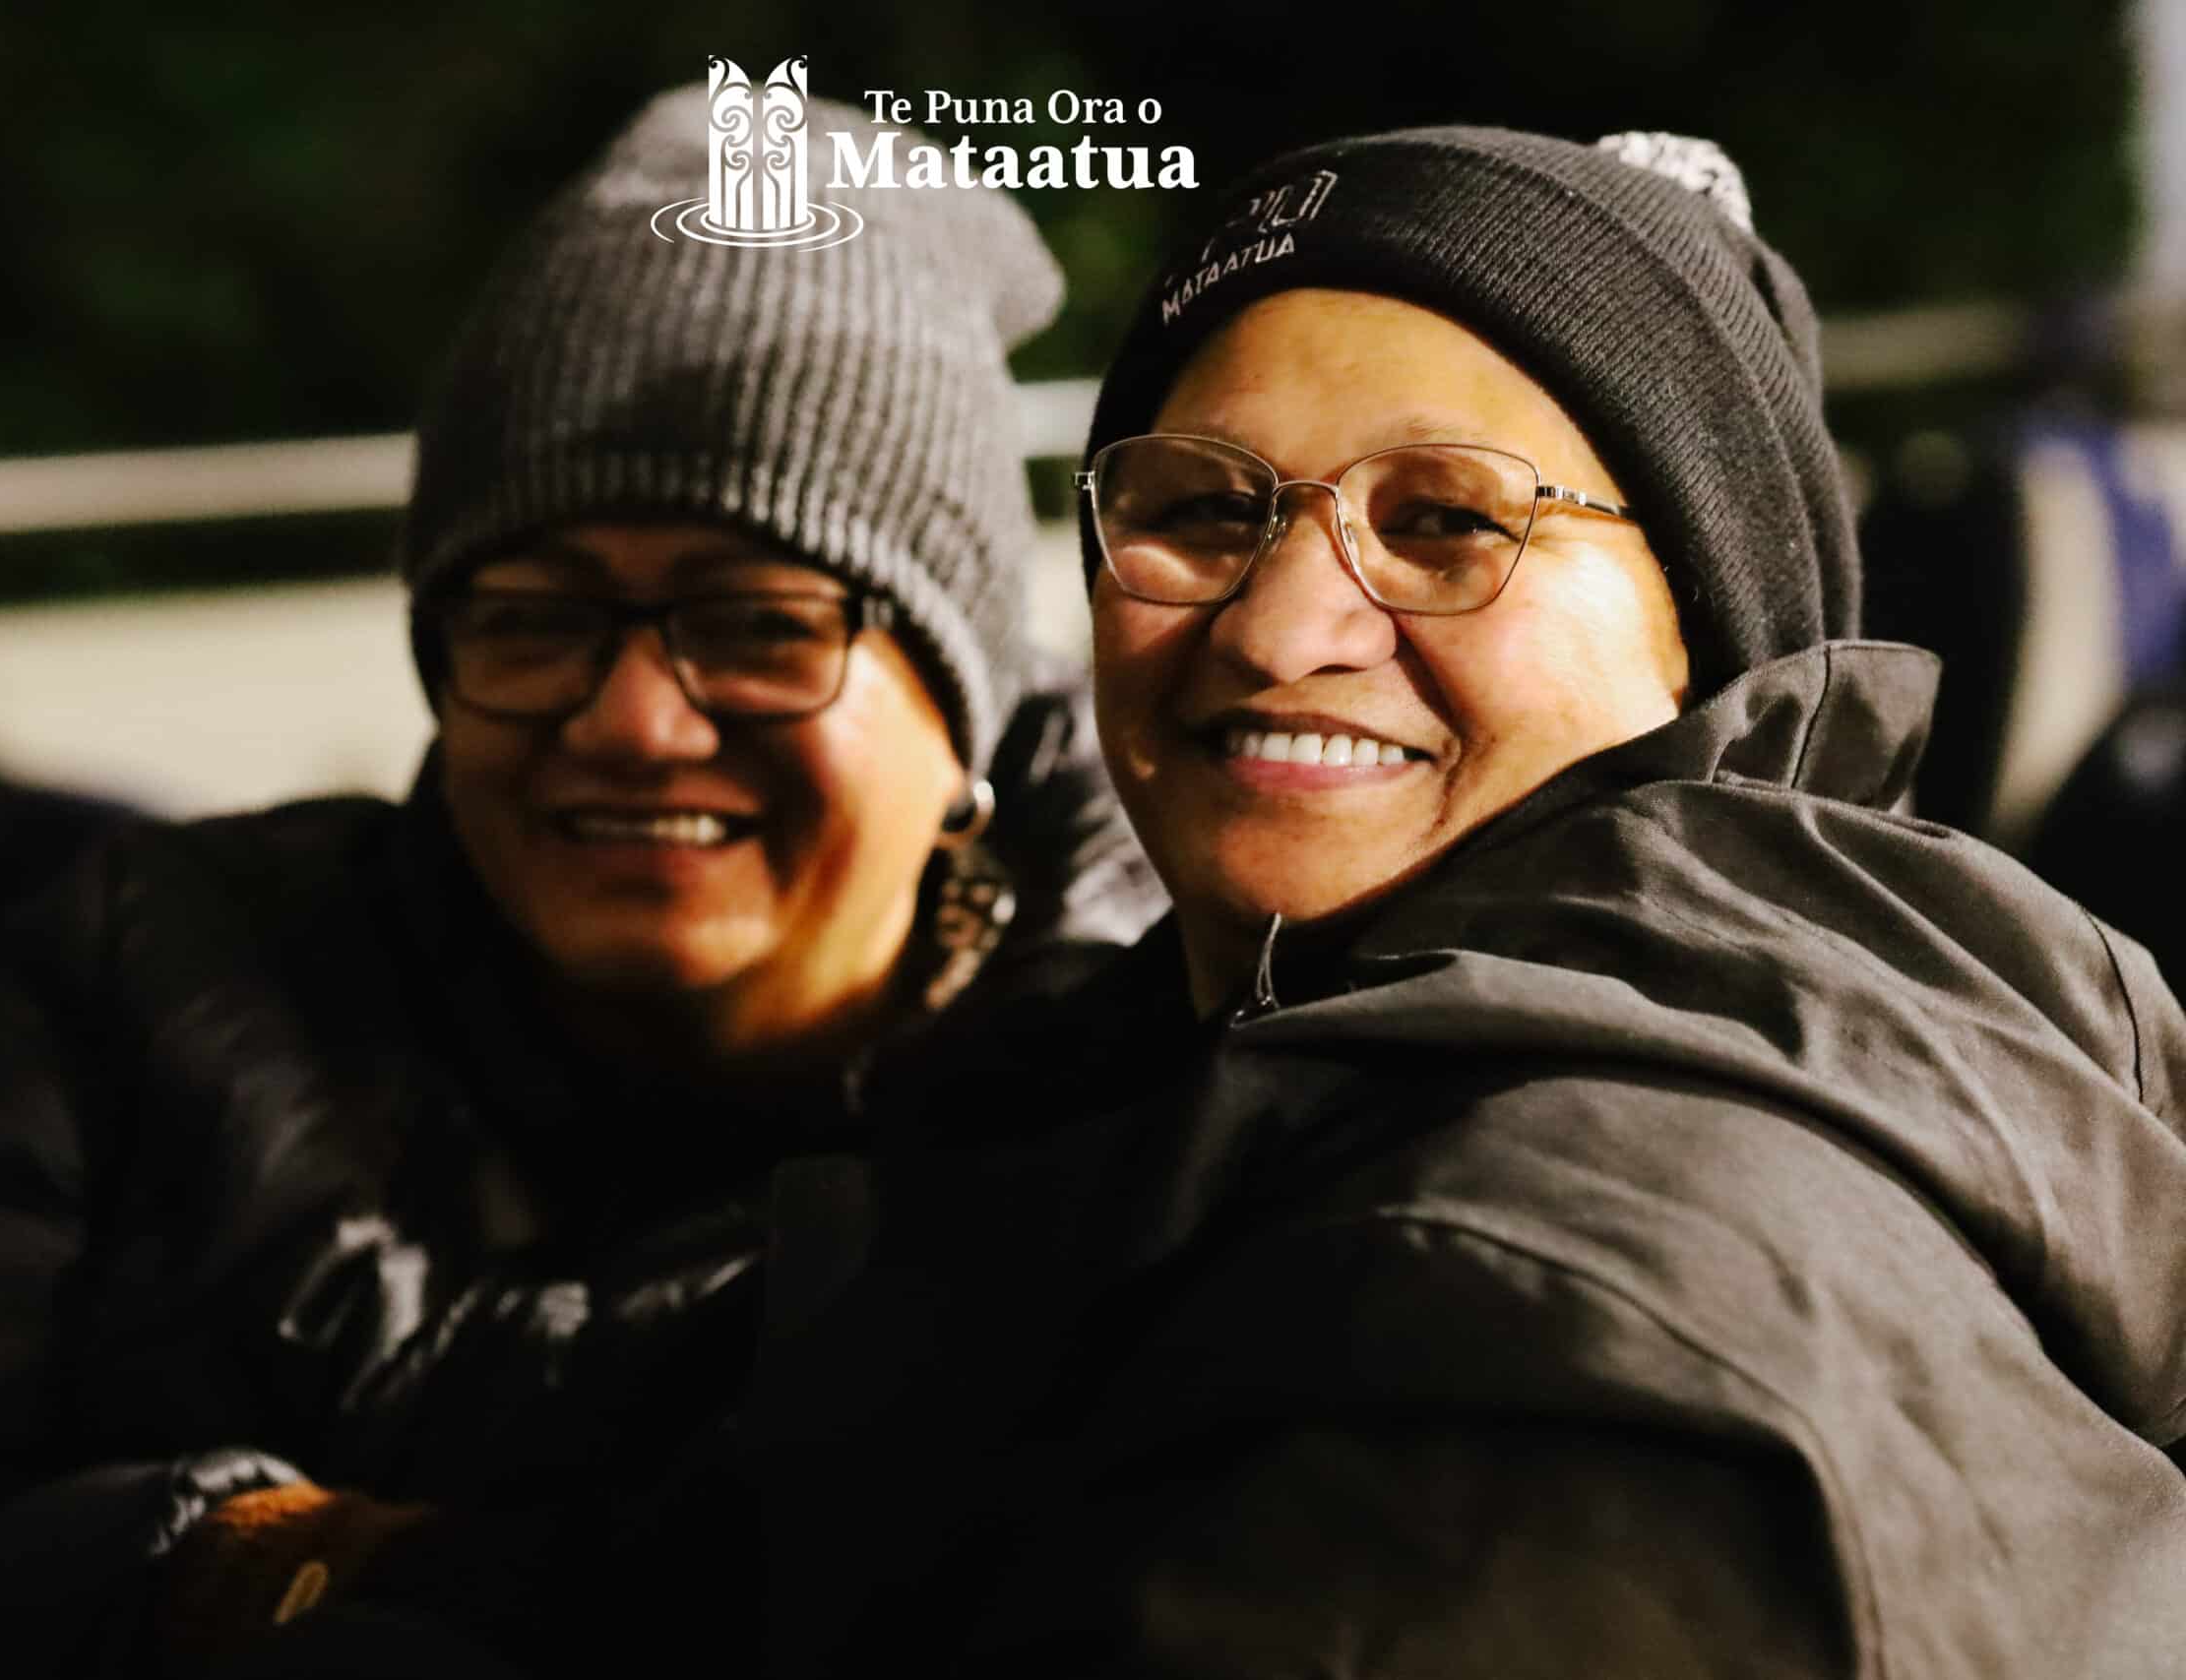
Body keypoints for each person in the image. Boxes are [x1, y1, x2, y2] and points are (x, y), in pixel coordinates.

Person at [0, 87, 1160, 1672]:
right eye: (532, 615)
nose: (634, 721)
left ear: (969, 706)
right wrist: (241, 1568)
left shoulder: (1167, 1069)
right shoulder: (154, 971)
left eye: (760, 624)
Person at [737, 129, 2186, 1678]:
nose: (1281, 625)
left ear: (1706, 631)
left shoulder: (1543, 1313)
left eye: (1443, 521)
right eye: (1205, 508)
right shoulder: (1201, 1068)